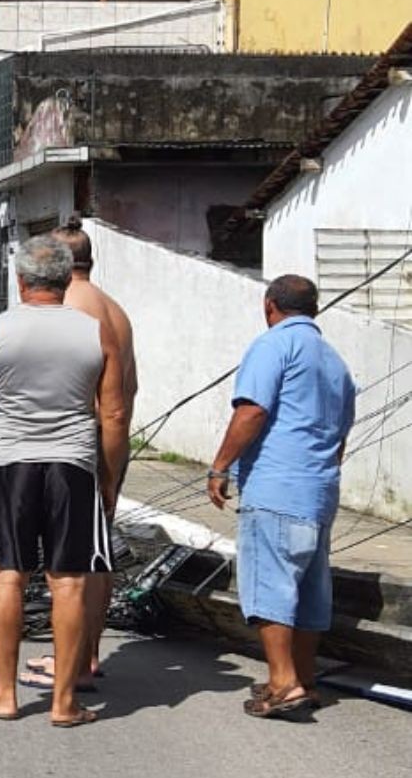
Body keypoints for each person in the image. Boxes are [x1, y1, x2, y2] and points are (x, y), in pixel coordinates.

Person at [0, 235, 128, 728]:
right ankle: (65, 703)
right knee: (69, 582)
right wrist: (108, 478)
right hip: (72, 466)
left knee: (7, 574)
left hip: (11, 466)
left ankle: (4, 694)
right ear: (67, 278)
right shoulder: (96, 333)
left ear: (21, 279)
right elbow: (112, 414)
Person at [207, 274, 355, 720]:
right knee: (309, 590)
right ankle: (304, 678)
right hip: (319, 488)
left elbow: (252, 410)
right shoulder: (335, 362)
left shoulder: (273, 345)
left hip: (275, 485)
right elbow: (341, 436)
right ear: (314, 310)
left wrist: (220, 466)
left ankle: (282, 682)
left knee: (269, 585)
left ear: (269, 305)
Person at [18, 219, 138, 691]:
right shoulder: (116, 309)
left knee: (68, 564)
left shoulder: (73, 304)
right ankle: (86, 654)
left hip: (76, 442)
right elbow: (127, 390)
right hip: (110, 440)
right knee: (96, 553)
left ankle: (69, 661)